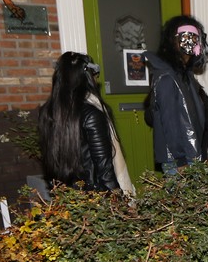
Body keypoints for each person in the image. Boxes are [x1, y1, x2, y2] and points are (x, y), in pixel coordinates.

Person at [36, 51, 134, 195]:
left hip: (64, 194)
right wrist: (118, 197)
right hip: (93, 196)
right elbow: (104, 167)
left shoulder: (47, 112)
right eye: (95, 75)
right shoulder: (92, 114)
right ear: (87, 76)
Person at [144, 15, 208, 173]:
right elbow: (169, 121)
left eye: (195, 37)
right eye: (187, 36)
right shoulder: (167, 77)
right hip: (180, 160)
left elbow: (203, 117)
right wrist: (180, 160)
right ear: (174, 41)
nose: (192, 41)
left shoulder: (184, 77)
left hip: (190, 155)